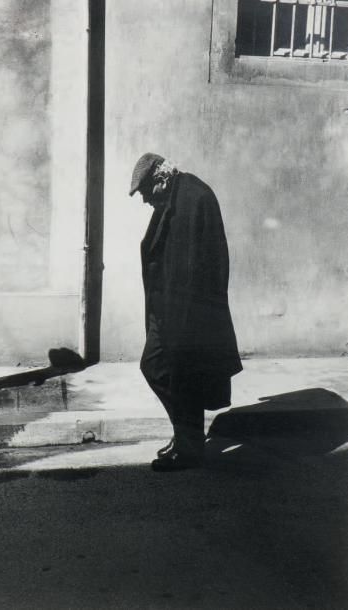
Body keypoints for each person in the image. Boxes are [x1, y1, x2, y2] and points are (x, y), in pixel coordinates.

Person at [129, 153, 242, 472]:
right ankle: (184, 435)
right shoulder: (172, 198)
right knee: (155, 367)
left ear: (160, 180)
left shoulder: (195, 197)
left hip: (188, 314)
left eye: (145, 192)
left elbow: (207, 263)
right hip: (166, 311)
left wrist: (192, 316)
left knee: (183, 377)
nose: (145, 201)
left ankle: (188, 447)